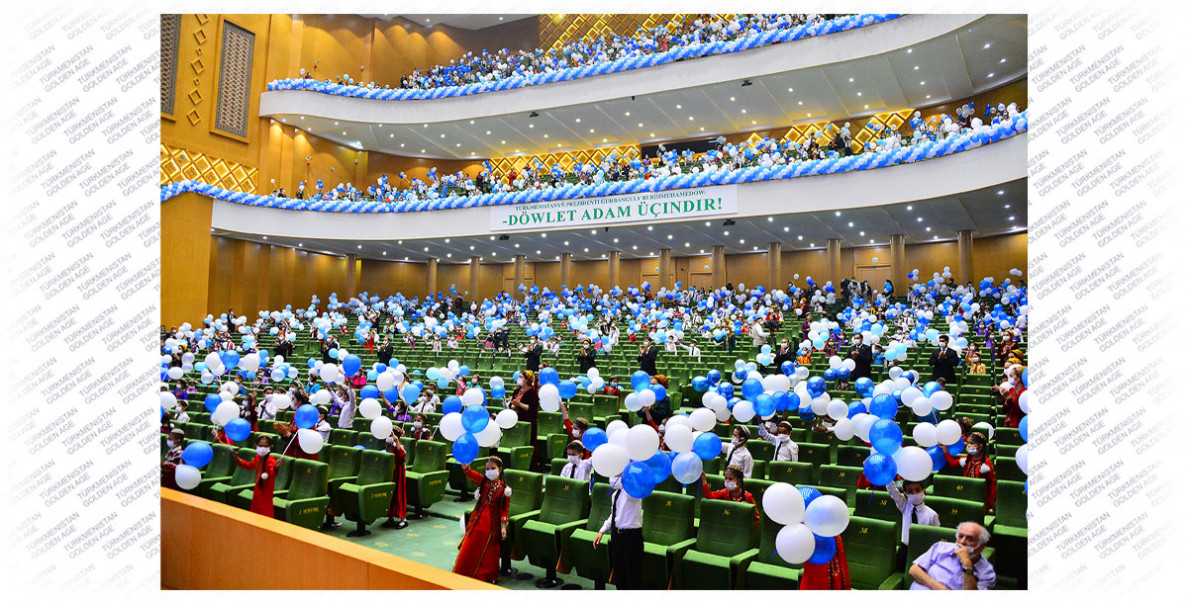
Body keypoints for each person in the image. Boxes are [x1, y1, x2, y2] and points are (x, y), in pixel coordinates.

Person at [453, 457, 510, 584]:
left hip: (493, 525)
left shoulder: (505, 489)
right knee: (470, 546)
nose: (489, 471)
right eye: (487, 469)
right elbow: (471, 474)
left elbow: (504, 510)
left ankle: (486, 576)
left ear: (500, 469)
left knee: (490, 551)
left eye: (493, 468)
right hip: (477, 521)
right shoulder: (483, 482)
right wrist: (465, 467)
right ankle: (463, 572)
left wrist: (503, 526)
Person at [592, 471, 644, 590]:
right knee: (619, 575)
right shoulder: (615, 494)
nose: (614, 477)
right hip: (617, 537)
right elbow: (614, 515)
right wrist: (601, 531)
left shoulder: (633, 491)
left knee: (633, 577)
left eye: (617, 474)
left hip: (631, 537)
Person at [909, 522, 996, 590]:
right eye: (960, 536)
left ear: (981, 547)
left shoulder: (987, 572)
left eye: (970, 539)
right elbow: (914, 570)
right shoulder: (941, 547)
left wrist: (967, 565)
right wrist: (940, 588)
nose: (962, 542)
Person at [886, 480, 940, 566]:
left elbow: (936, 537)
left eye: (917, 490)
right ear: (906, 495)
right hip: (905, 550)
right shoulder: (904, 506)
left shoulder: (932, 515)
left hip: (923, 552)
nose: (914, 493)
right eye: (910, 492)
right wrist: (887, 476)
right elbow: (893, 491)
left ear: (924, 492)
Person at [942, 432, 997, 514]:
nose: (968, 445)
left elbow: (992, 483)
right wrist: (945, 450)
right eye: (968, 443)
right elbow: (953, 463)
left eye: (971, 443)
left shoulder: (987, 463)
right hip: (966, 492)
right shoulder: (966, 459)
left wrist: (991, 501)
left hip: (980, 496)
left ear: (980, 446)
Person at [234, 435, 283, 518]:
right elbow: (249, 466)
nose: (262, 448)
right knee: (255, 510)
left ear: (270, 447)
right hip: (257, 489)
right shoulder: (257, 457)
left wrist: (276, 467)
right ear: (256, 446)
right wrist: (237, 459)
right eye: (260, 446)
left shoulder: (270, 459)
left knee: (265, 512)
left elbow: (272, 473)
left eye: (265, 446)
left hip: (266, 491)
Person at [509, 370, 540, 467]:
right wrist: (513, 405)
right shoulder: (516, 390)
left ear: (527, 380)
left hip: (528, 421)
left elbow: (532, 409)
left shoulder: (532, 392)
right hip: (516, 419)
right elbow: (512, 404)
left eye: (521, 377)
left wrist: (519, 404)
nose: (519, 379)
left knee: (528, 443)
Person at [382, 426, 410, 529]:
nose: (388, 437)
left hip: (399, 474)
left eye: (390, 435)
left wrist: (397, 441)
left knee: (399, 495)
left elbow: (402, 456)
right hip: (391, 473)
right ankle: (390, 517)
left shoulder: (399, 446)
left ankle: (403, 519)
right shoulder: (390, 446)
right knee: (391, 495)